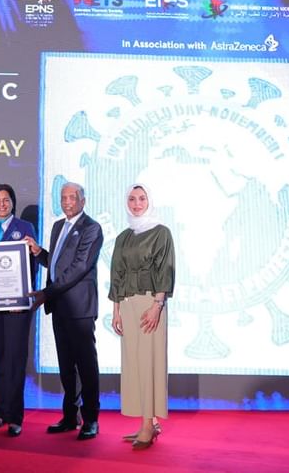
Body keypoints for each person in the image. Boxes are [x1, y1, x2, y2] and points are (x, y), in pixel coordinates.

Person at [30, 182, 104, 440]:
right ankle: (70, 416)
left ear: (83, 201)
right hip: (60, 306)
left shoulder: (91, 228)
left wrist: (46, 293)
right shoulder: (58, 226)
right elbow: (57, 264)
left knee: (86, 365)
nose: (68, 201)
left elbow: (79, 267)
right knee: (66, 366)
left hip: (80, 308)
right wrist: (39, 253)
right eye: (64, 197)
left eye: (73, 197)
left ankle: (91, 419)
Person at [109, 184, 174, 449]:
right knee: (134, 364)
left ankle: (149, 425)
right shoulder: (123, 237)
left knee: (149, 363)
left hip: (150, 303)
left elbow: (165, 269)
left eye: (142, 199)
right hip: (127, 304)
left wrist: (157, 305)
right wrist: (116, 310)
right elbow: (116, 274)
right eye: (132, 199)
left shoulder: (161, 232)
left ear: (150, 201)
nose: (136, 204)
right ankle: (147, 423)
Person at [0, 184, 39, 437]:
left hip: (16, 306)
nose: (2, 204)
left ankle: (15, 416)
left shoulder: (25, 227)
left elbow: (31, 265)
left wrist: (20, 298)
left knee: (15, 359)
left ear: (13, 202)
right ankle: (0, 411)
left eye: (6, 200)